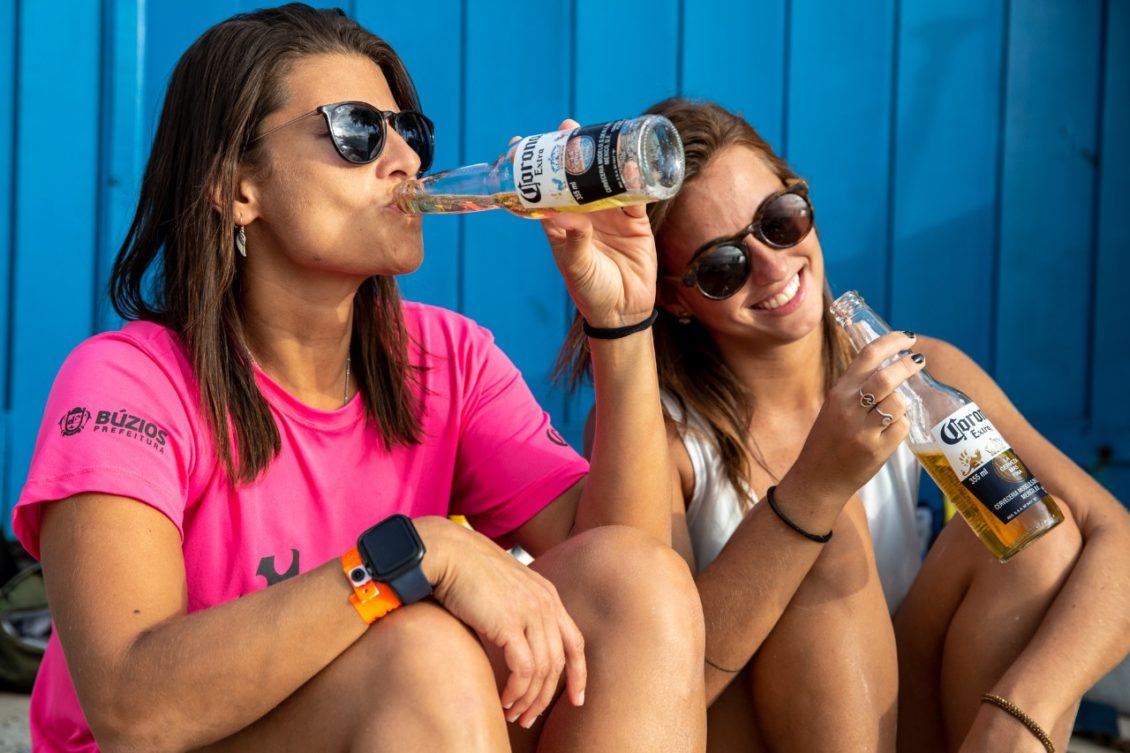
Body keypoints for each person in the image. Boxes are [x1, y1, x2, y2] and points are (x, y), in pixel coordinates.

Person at [12, 6, 707, 752]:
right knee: (425, 655)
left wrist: (621, 324)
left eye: (409, 132)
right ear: (236, 187)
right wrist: (408, 557)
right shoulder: (129, 383)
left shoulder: (448, 360)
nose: (404, 158)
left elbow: (625, 595)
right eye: (356, 131)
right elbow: (131, 708)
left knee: (640, 585)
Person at [558, 97, 1130, 753]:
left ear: (804, 200)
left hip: (907, 719)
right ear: (675, 296)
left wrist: (1020, 715)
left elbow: (1114, 537)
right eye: (722, 267)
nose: (773, 267)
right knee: (821, 546)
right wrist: (814, 490)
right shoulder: (661, 430)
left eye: (780, 222)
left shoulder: (917, 374)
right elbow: (645, 679)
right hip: (745, 731)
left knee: (1035, 533)